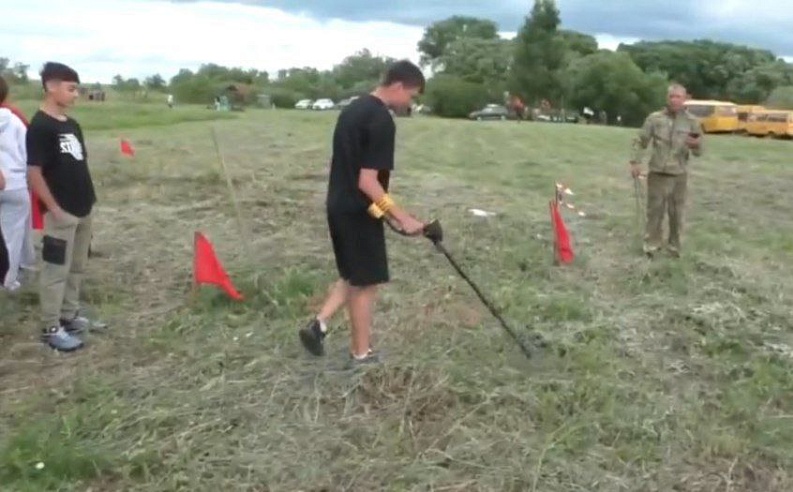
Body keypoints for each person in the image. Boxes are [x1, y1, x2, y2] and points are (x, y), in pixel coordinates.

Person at [298, 60, 427, 365]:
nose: (411, 103)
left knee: (355, 273)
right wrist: (402, 217)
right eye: (412, 95)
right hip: (358, 210)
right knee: (367, 283)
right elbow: (368, 182)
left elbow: (347, 168)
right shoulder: (381, 120)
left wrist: (383, 212)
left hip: (338, 204)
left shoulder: (353, 109)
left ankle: (319, 325)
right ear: (397, 86)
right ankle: (361, 354)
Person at [26, 62, 107, 352]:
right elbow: (34, 172)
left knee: (77, 266)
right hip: (60, 213)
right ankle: (50, 327)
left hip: (83, 207)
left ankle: (69, 315)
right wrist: (54, 209)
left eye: (77, 89)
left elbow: (78, 164)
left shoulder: (72, 125)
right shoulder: (40, 127)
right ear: (51, 87)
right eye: (71, 88)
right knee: (55, 270)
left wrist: (89, 203)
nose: (76, 95)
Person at [630, 83, 704, 258]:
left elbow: (699, 151)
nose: (675, 100)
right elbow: (641, 140)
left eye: (678, 96)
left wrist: (696, 145)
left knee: (676, 214)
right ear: (667, 98)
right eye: (671, 96)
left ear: (685, 99)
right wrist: (635, 162)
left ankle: (674, 248)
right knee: (654, 211)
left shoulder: (692, 122)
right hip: (657, 173)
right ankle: (651, 246)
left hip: (679, 175)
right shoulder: (654, 119)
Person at [0, 75, 36, 291]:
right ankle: (8, 281)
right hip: (15, 185)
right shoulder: (15, 120)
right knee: (12, 237)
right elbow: (28, 154)